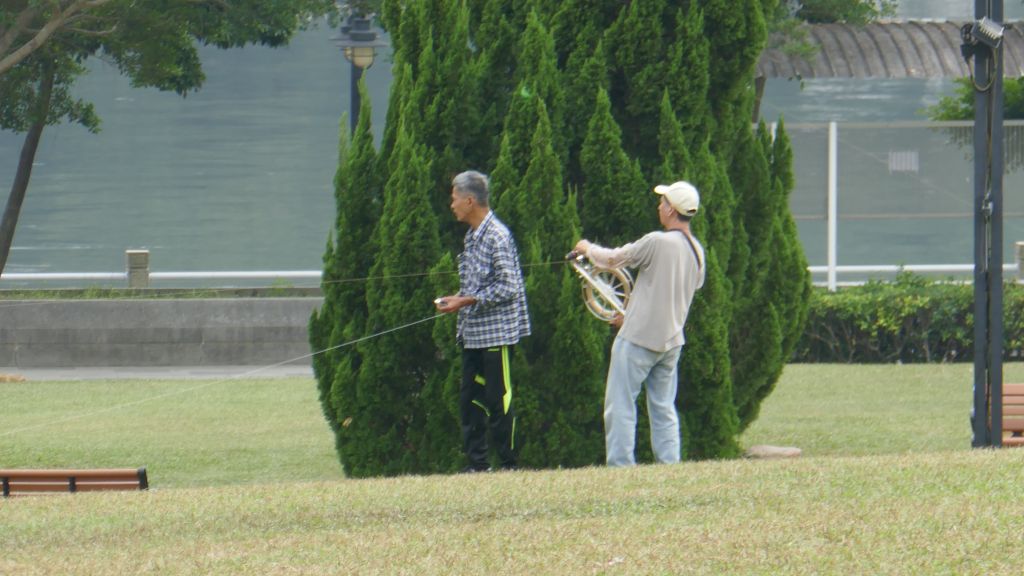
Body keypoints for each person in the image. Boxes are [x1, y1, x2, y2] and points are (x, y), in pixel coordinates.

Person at [573, 181, 705, 467]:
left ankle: (621, 467)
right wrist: (630, 312)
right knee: (663, 407)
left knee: (619, 405)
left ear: (671, 210)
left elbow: (613, 260)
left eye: (663, 202)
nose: (659, 206)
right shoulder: (697, 251)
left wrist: (586, 247)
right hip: (671, 342)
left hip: (637, 340)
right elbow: (672, 293)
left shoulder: (657, 241)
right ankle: (670, 465)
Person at [436, 170, 531, 472]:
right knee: (470, 399)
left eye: (454, 199)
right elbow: (478, 285)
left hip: (496, 337)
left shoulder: (497, 236)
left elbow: (510, 286)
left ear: (469, 200)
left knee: (499, 400)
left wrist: (465, 300)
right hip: (472, 335)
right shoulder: (472, 236)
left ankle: (509, 465)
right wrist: (458, 298)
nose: (451, 205)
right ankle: (477, 466)